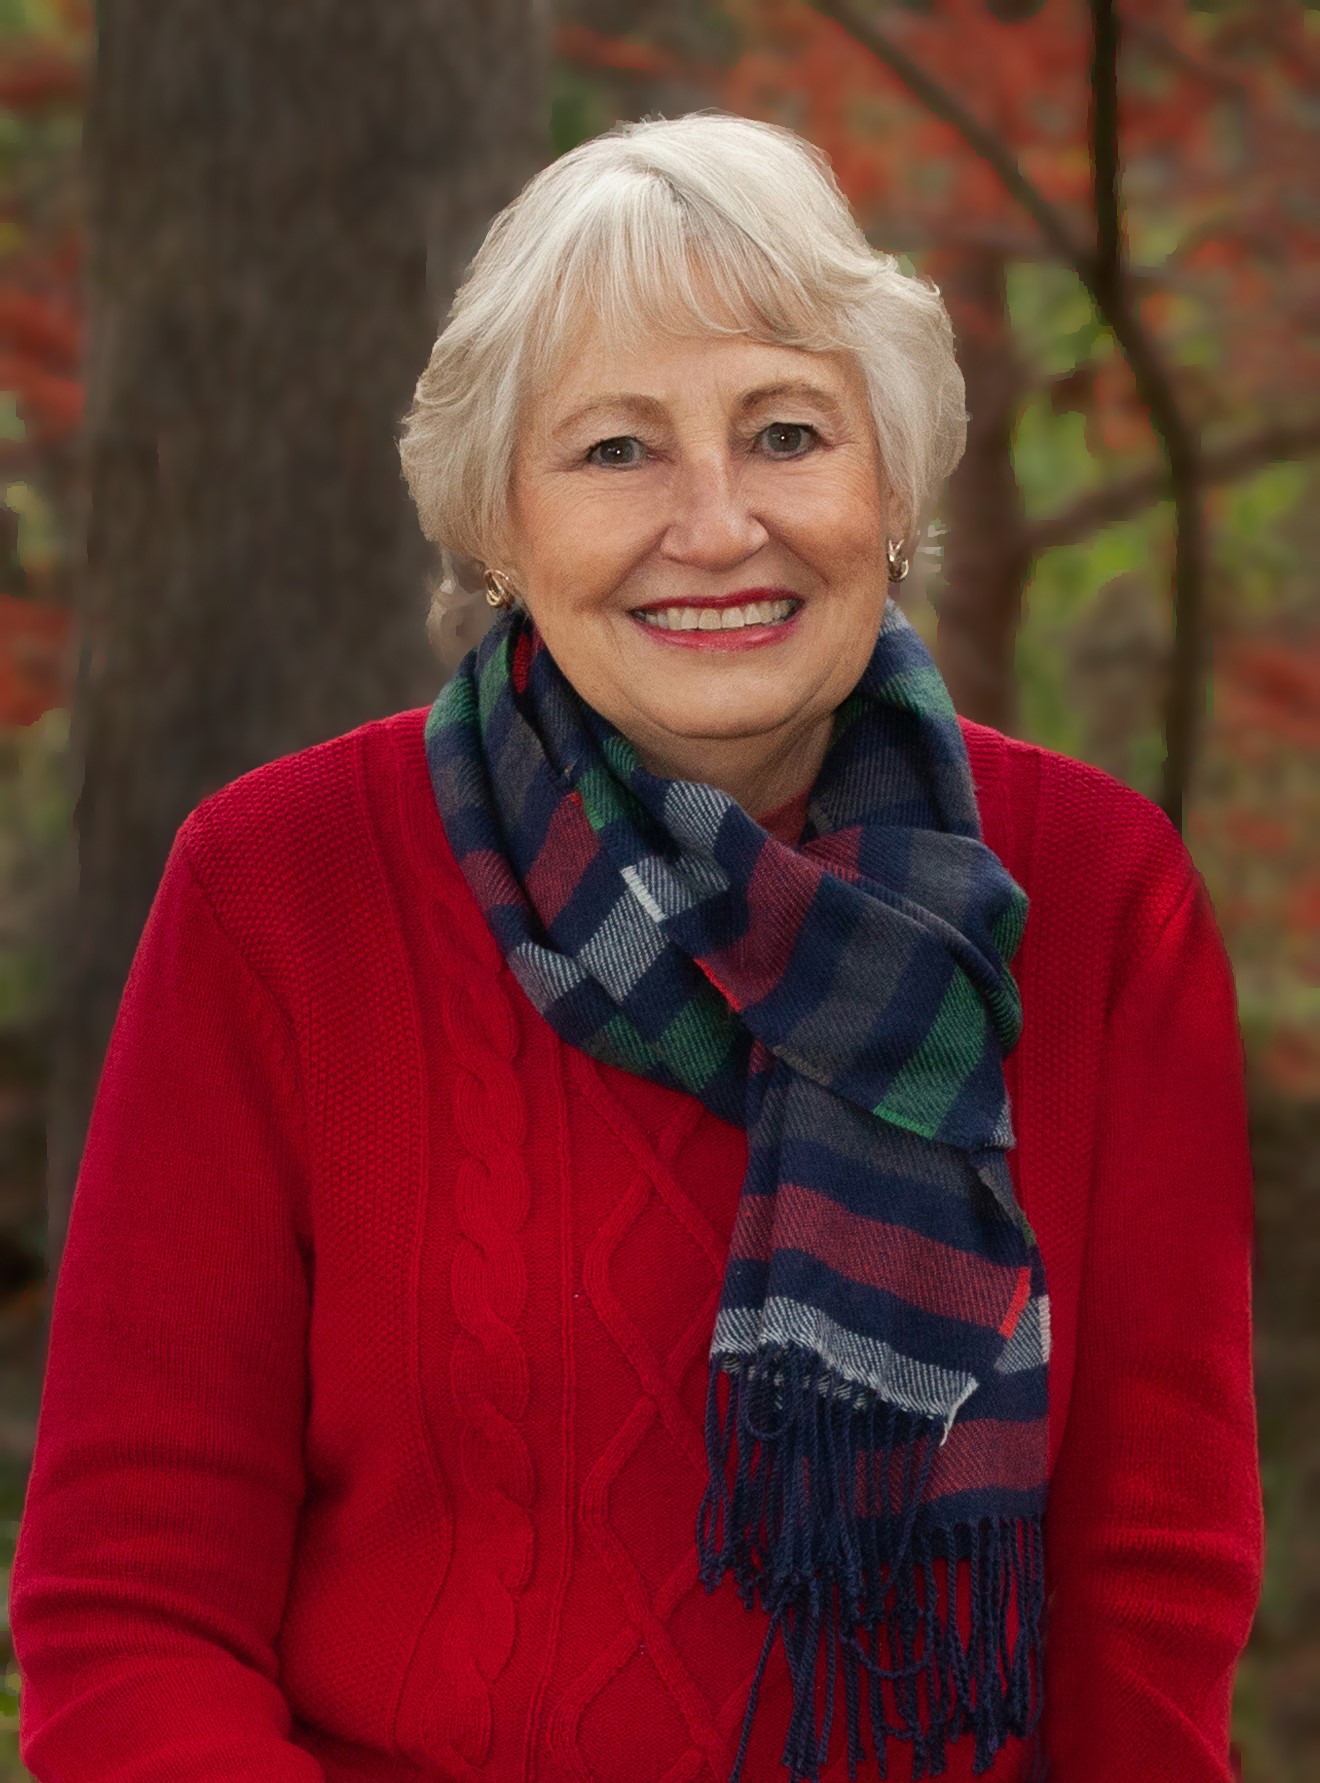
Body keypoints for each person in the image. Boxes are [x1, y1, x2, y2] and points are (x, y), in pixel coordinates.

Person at [10, 112, 1261, 1783]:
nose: (718, 524)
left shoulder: (1100, 900)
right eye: (615, 450)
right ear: (499, 526)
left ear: (892, 489)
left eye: (787, 432)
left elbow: (1148, 1592)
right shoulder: (278, 892)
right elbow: (130, 1606)